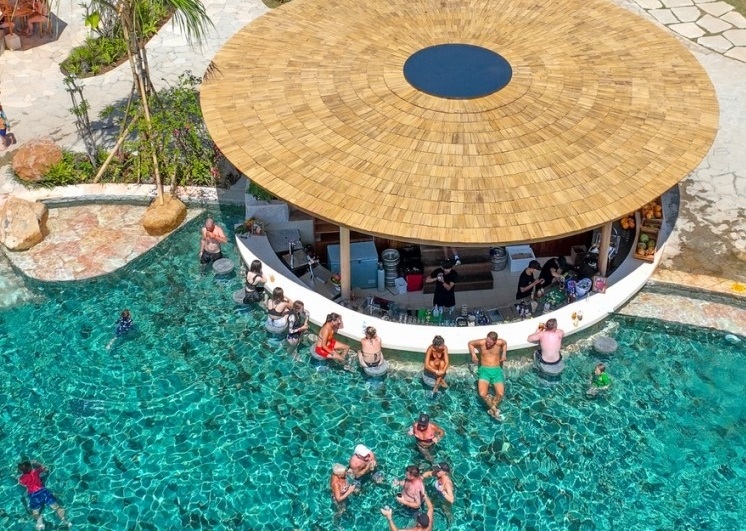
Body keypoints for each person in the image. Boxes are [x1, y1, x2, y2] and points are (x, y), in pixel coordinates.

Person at [17, 460, 71, 530]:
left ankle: (39, 519)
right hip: (43, 492)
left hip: (34, 495)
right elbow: (45, 468)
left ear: (21, 471)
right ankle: (64, 520)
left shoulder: (21, 479)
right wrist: (36, 462)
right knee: (57, 507)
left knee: (35, 513)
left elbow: (21, 484)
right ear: (31, 467)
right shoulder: (35, 472)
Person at [468, 331, 508, 420]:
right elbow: (470, 343)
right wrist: (473, 355)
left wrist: (504, 354)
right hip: (484, 371)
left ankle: (491, 408)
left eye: (490, 343)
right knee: (482, 394)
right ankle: (494, 409)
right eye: (487, 341)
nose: (487, 344)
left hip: (496, 371)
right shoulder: (482, 342)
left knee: (500, 394)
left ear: (495, 341)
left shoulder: (499, 343)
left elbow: (505, 343)